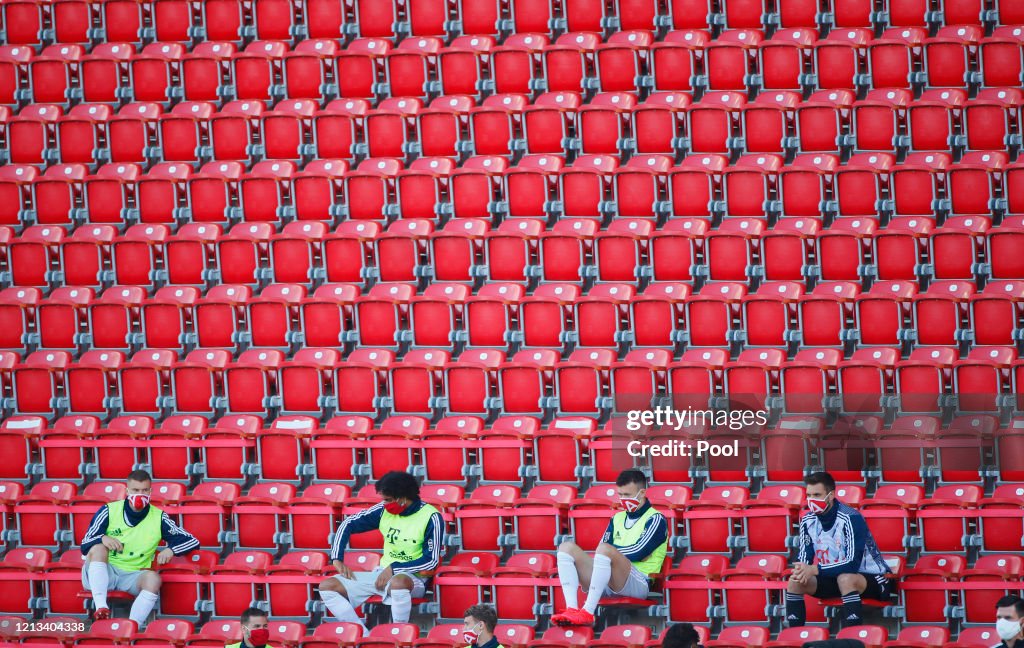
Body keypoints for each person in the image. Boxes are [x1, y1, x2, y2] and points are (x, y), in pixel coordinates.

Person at [318, 471, 444, 631]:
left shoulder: (431, 516)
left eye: (388, 500)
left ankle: (398, 634)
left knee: (398, 582)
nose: (384, 504)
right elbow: (347, 524)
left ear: (402, 498)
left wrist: (394, 569)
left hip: (415, 578)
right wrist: (337, 558)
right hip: (382, 573)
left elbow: (431, 560)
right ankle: (362, 635)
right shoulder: (383, 510)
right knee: (327, 586)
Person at [551, 469, 668, 626]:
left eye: (627, 495)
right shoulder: (617, 518)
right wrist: (621, 553)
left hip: (639, 582)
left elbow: (639, 552)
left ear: (642, 493)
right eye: (620, 495)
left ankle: (587, 612)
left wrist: (615, 552)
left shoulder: (656, 519)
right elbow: (609, 550)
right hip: (609, 579)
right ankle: (571, 609)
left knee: (606, 550)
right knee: (566, 547)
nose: (622, 499)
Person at [80, 469, 200, 624]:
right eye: (136, 490)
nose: (139, 495)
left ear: (150, 492)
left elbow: (191, 540)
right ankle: (101, 607)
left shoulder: (159, 517)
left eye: (144, 490)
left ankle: (132, 626)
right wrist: (102, 538)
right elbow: (85, 543)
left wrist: (171, 549)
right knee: (98, 548)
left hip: (133, 575)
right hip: (106, 570)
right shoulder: (109, 510)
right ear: (127, 490)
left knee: (154, 579)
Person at [785, 471, 891, 628]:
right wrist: (802, 569)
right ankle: (794, 638)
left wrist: (814, 569)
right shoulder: (807, 520)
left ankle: (850, 638)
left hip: (872, 579)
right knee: (795, 581)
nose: (812, 500)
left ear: (831, 495)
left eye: (817, 495)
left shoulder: (850, 518)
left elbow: (851, 564)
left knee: (846, 578)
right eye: (809, 495)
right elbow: (805, 556)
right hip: (833, 576)